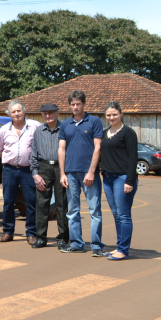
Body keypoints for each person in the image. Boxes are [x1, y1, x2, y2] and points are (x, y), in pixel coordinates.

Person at [59, 90, 105, 255]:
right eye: (73, 104)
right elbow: (61, 149)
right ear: (70, 105)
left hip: (88, 173)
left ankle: (97, 246)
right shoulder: (65, 124)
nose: (76, 107)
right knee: (73, 211)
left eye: (79, 104)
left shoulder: (94, 121)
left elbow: (97, 147)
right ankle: (77, 243)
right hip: (70, 173)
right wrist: (62, 174)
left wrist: (91, 172)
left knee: (94, 210)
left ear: (84, 104)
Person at [0, 100, 41, 244]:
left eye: (19, 111)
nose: (17, 114)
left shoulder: (35, 126)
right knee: (8, 202)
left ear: (24, 111)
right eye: (13, 112)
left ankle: (31, 233)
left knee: (31, 202)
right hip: (10, 170)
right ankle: (8, 232)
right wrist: (9, 158)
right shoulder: (4, 129)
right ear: (9, 114)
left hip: (29, 170)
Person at [100, 101, 139, 261]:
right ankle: (119, 247)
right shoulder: (105, 132)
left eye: (114, 114)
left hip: (122, 178)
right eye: (109, 115)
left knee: (124, 215)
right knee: (116, 215)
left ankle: (123, 250)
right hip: (108, 178)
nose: (111, 117)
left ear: (121, 114)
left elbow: (133, 158)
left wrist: (129, 181)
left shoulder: (128, 133)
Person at [30, 103, 68, 249]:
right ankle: (41, 237)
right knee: (41, 204)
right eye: (45, 113)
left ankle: (63, 238)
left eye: (51, 113)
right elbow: (34, 154)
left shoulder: (64, 129)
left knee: (62, 203)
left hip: (60, 167)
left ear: (57, 113)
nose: (48, 116)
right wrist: (35, 174)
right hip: (43, 167)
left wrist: (66, 172)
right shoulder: (39, 131)